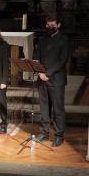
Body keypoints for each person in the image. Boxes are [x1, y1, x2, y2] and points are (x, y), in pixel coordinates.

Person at [35, 14, 70, 147]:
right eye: (48, 23)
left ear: (58, 25)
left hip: (56, 80)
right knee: (44, 108)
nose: (49, 26)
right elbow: (37, 56)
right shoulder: (42, 39)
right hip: (42, 79)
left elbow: (62, 61)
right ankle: (44, 133)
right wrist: (39, 72)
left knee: (58, 109)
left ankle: (59, 135)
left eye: (52, 23)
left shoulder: (63, 40)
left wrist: (47, 73)